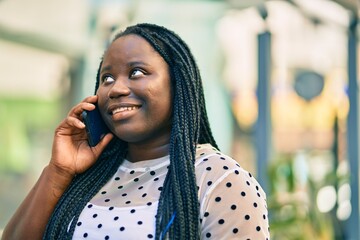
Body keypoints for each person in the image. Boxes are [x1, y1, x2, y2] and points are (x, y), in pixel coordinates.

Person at [2, 23, 270, 240]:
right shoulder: (86, 175)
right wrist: (59, 171)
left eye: (137, 72)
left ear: (178, 85)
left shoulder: (220, 180)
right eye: (106, 78)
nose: (116, 88)